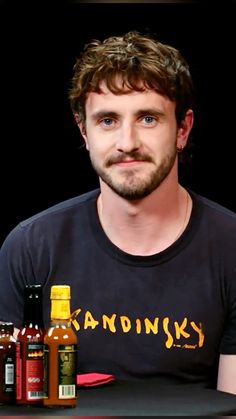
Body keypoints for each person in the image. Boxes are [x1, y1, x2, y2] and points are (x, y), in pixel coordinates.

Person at [0, 31, 236, 395]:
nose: (127, 143)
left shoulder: (231, 247)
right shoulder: (31, 247)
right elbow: (11, 402)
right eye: (107, 121)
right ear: (84, 131)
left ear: (182, 129)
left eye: (148, 119)